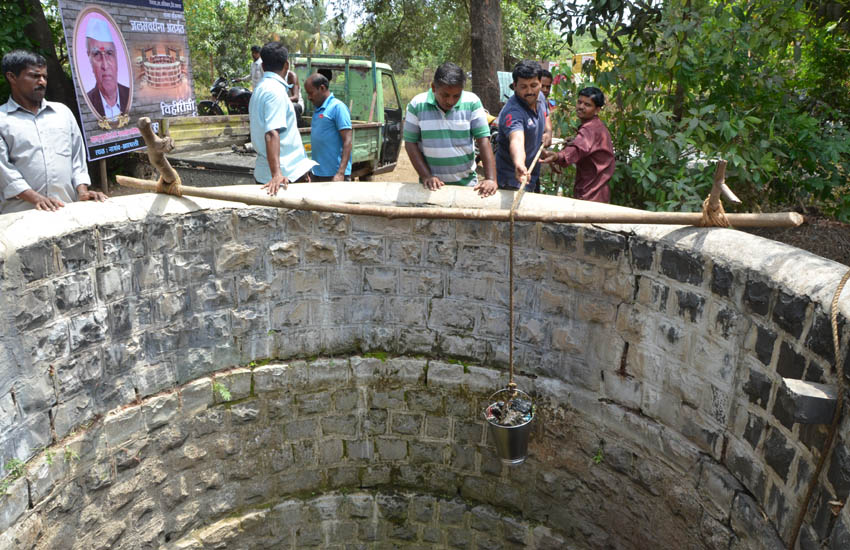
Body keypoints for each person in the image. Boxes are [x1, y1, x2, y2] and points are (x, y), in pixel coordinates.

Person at [1, 50, 106, 214]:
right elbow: (4, 171)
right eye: (35, 76)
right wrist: (37, 199)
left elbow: (77, 159)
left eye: (44, 76)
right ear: (12, 77)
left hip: (65, 211)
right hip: (20, 217)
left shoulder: (63, 113)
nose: (42, 81)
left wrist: (83, 191)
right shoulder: (2, 119)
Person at [403, 62, 497, 198]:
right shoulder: (417, 105)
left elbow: (483, 141)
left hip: (468, 186)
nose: (450, 101)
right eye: (445, 95)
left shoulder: (472, 102)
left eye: (456, 96)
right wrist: (426, 176)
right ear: (434, 87)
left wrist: (491, 178)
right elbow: (410, 143)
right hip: (431, 188)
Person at [248, 42, 316, 195]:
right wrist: (277, 174)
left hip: (269, 173)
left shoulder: (259, 90)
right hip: (285, 178)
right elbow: (272, 133)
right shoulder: (275, 92)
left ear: (263, 67)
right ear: (286, 65)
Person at [540, 86, 614, 203]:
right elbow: (583, 145)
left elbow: (577, 149)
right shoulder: (596, 126)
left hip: (591, 194)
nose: (581, 107)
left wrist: (556, 156)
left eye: (587, 105)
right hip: (597, 191)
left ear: (597, 109)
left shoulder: (590, 129)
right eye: (579, 102)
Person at [495, 60, 552, 192]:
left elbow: (546, 115)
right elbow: (517, 140)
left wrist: (548, 132)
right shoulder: (513, 112)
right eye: (523, 86)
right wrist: (519, 164)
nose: (529, 91)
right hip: (513, 180)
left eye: (534, 85)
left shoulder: (540, 97)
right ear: (514, 86)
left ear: (540, 84)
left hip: (532, 174)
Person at [304, 73, 352, 182]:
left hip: (334, 175)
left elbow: (348, 141)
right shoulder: (318, 109)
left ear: (322, 88)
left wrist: (340, 173)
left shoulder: (338, 107)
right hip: (318, 173)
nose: (309, 97)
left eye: (311, 93)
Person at [84, 17, 129, 119]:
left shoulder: (130, 95)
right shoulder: (87, 102)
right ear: (89, 59)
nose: (105, 65)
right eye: (96, 54)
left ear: (116, 57)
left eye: (109, 53)